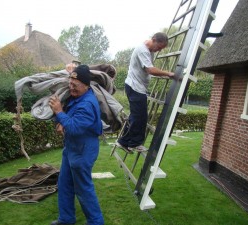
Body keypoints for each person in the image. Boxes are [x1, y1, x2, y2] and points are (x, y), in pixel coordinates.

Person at [49, 65, 104, 225]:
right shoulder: (78, 96)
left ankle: (96, 222)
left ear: (86, 85)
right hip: (71, 148)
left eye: (75, 85)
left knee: (83, 188)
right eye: (70, 83)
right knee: (64, 184)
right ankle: (66, 219)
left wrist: (59, 112)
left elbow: (74, 128)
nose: (71, 87)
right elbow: (71, 120)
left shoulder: (87, 104)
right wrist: (62, 121)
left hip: (83, 149)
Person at [116, 32, 174, 153]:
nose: (158, 50)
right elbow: (150, 69)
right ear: (153, 40)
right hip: (135, 87)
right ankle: (135, 144)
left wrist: (162, 75)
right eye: (159, 47)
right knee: (141, 117)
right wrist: (168, 73)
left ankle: (123, 142)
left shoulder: (149, 51)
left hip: (136, 86)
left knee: (135, 116)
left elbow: (147, 70)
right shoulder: (143, 50)